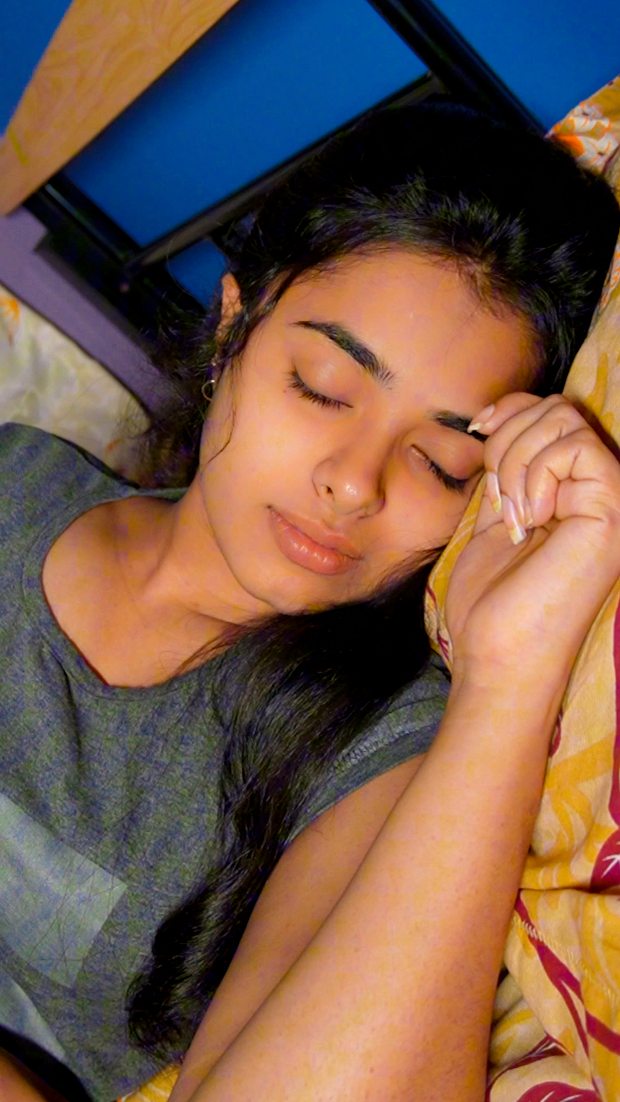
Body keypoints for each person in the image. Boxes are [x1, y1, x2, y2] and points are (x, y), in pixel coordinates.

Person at [0, 99, 618, 1102]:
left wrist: (509, 674)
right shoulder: (12, 482)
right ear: (233, 327)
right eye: (324, 386)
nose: (354, 482)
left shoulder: (381, 752)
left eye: (441, 460)